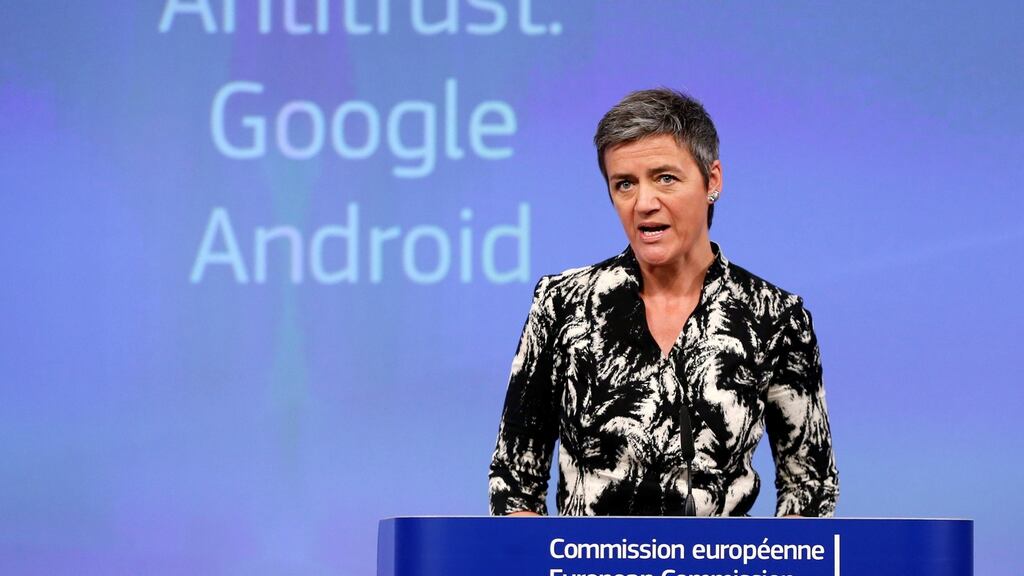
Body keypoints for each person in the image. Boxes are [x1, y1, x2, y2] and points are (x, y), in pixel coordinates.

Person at [488, 88, 838, 517]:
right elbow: (513, 482)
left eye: (665, 178)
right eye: (625, 184)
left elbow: (811, 487)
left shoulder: (775, 317)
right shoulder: (562, 305)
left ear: (712, 181)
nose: (644, 204)